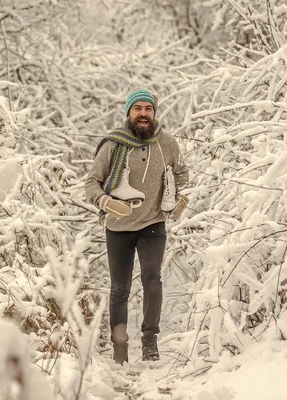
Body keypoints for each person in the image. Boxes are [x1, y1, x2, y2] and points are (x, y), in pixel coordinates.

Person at [85, 89, 189, 365]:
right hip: (118, 228)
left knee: (152, 280)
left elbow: (181, 173)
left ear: (154, 113)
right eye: (137, 109)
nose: (143, 113)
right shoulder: (113, 145)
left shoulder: (167, 144)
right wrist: (106, 202)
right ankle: (119, 347)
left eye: (148, 109)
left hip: (153, 223)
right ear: (129, 113)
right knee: (120, 288)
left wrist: (175, 197)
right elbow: (91, 183)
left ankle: (150, 339)